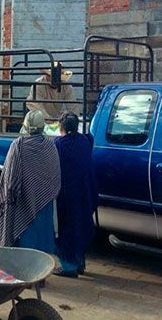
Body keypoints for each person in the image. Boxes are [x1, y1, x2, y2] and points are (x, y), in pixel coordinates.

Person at [0, 110, 60, 253]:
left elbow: (10, 179)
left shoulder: (18, 145)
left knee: (26, 246)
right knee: (41, 244)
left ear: (26, 127)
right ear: (42, 127)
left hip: (23, 203)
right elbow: (55, 175)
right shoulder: (50, 145)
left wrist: (9, 195)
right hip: (45, 203)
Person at [54, 112, 98, 277]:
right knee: (81, 224)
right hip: (86, 191)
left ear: (61, 127)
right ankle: (80, 262)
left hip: (67, 194)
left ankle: (68, 267)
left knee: (65, 229)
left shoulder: (58, 144)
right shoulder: (85, 141)